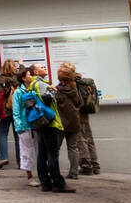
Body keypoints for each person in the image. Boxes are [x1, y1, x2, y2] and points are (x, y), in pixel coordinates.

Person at [23, 64, 73, 193]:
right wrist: (53, 90)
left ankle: (45, 182)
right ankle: (58, 183)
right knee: (52, 153)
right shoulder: (41, 84)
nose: (45, 67)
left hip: (40, 122)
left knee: (42, 153)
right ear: (36, 71)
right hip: (50, 122)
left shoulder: (32, 85)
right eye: (41, 67)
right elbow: (47, 100)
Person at [55, 62, 83, 180]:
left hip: (61, 123)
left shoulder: (58, 90)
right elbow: (80, 103)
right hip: (74, 122)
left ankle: (55, 172)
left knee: (55, 148)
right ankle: (74, 172)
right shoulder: (75, 89)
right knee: (73, 147)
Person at [11, 64, 38, 186]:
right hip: (24, 126)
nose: (31, 76)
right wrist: (19, 126)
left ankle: (43, 174)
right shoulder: (17, 92)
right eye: (29, 75)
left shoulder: (34, 89)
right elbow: (16, 112)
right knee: (26, 151)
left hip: (36, 124)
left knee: (39, 149)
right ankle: (29, 176)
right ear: (23, 78)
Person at [0, 58, 18, 170]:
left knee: (3, 134)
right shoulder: (17, 80)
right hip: (17, 111)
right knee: (18, 137)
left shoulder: (0, 80)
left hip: (4, 112)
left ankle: (3, 157)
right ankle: (21, 161)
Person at [76, 73, 101, 175]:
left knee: (81, 139)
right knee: (89, 139)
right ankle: (95, 165)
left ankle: (86, 166)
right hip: (85, 113)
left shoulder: (73, 84)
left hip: (77, 114)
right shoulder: (85, 83)